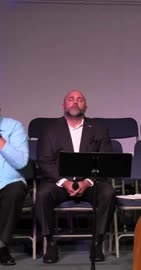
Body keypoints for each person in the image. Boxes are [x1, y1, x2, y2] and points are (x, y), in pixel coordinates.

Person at [36, 90, 116, 264]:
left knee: (108, 193)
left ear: (85, 106)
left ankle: (97, 242)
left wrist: (86, 182)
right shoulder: (50, 130)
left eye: (80, 99)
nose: (75, 102)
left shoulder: (99, 129)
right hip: (58, 183)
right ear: (63, 105)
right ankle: (50, 243)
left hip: (90, 182)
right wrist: (64, 182)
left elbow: (105, 160)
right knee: (42, 194)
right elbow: (44, 161)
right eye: (70, 99)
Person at [0, 107, 29, 266]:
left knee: (15, 190)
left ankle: (2, 245)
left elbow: (21, 162)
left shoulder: (13, 127)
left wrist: (1, 141)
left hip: (8, 183)